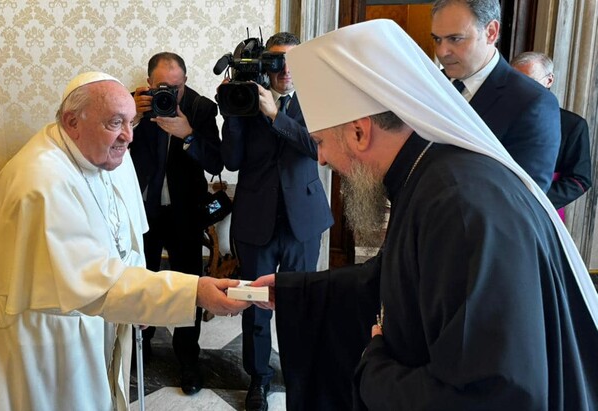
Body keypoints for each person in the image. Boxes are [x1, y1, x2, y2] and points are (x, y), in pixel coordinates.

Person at [250, 19, 598, 410]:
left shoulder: (459, 205)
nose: (324, 159)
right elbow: (394, 277)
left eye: (320, 142)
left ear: (360, 132)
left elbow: (491, 395)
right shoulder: (427, 175)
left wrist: (373, 366)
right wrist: (294, 292)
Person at [0, 72, 250, 411]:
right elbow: (87, 280)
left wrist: (142, 298)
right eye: (115, 122)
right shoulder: (41, 183)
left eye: (131, 121)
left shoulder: (109, 151)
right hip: (42, 327)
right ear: (72, 122)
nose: (128, 135)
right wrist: (194, 292)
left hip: (90, 310)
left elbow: (129, 232)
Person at [219, 31, 334, 411]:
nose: (285, 70)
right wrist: (235, 112)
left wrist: (275, 115)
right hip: (256, 220)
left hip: (303, 219)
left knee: (299, 302)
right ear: (264, 66)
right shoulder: (247, 99)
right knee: (255, 304)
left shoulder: (319, 99)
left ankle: (299, 373)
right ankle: (259, 379)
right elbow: (232, 161)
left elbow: (318, 149)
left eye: (293, 61)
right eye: (276, 62)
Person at [130, 52, 223, 395]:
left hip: (185, 213)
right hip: (145, 211)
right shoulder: (133, 106)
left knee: (188, 287)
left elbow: (217, 160)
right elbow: (114, 152)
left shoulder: (201, 108)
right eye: (163, 88)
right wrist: (132, 119)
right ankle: (142, 344)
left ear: (186, 81)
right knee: (141, 281)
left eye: (178, 87)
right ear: (150, 84)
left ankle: (188, 359)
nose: (171, 94)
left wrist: (189, 135)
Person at [431, 0, 561, 192]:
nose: (442, 51)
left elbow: (525, 196)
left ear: (491, 32)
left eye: (455, 39)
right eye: (437, 39)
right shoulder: (431, 84)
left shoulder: (533, 102)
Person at [510, 51, 593, 218]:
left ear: (549, 80)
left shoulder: (572, 125)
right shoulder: (499, 116)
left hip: (541, 209)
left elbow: (579, 180)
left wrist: (533, 199)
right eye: (514, 82)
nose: (520, 89)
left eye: (529, 82)